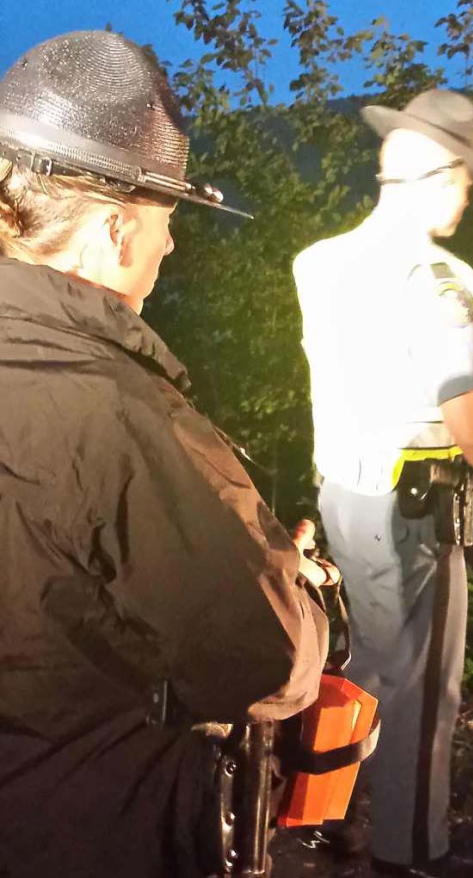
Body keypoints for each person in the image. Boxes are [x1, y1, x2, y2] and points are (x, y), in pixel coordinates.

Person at [0, 31, 333, 878]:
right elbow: (261, 661)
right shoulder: (119, 411)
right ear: (113, 230)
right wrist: (280, 576)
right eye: (165, 222)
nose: (170, 248)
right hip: (85, 827)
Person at [294, 88, 473, 878]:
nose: (469, 196)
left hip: (345, 494)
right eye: (466, 179)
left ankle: (320, 813)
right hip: (413, 507)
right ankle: (408, 854)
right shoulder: (439, 276)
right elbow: (464, 408)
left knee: (372, 668)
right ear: (439, 176)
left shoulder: (320, 263)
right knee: (421, 688)